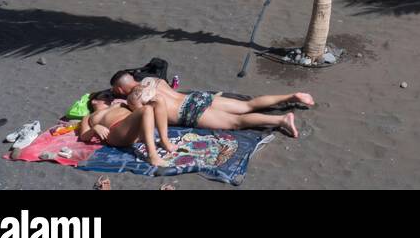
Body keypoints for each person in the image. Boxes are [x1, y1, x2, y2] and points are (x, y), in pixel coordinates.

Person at [109, 71, 310, 137]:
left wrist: (123, 105)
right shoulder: (152, 79)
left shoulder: (132, 98)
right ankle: (291, 96)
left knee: (236, 122)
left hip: (187, 112)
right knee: (247, 105)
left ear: (119, 89)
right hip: (195, 98)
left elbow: (146, 117)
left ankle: (281, 119)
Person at [79, 89, 176, 168]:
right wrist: (95, 128)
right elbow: (84, 137)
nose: (110, 97)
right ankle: (152, 156)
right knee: (146, 109)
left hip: (135, 128)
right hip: (116, 133)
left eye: (111, 95)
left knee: (158, 99)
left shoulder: (119, 104)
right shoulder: (89, 117)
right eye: (106, 96)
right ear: (94, 101)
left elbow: (137, 105)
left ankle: (164, 141)